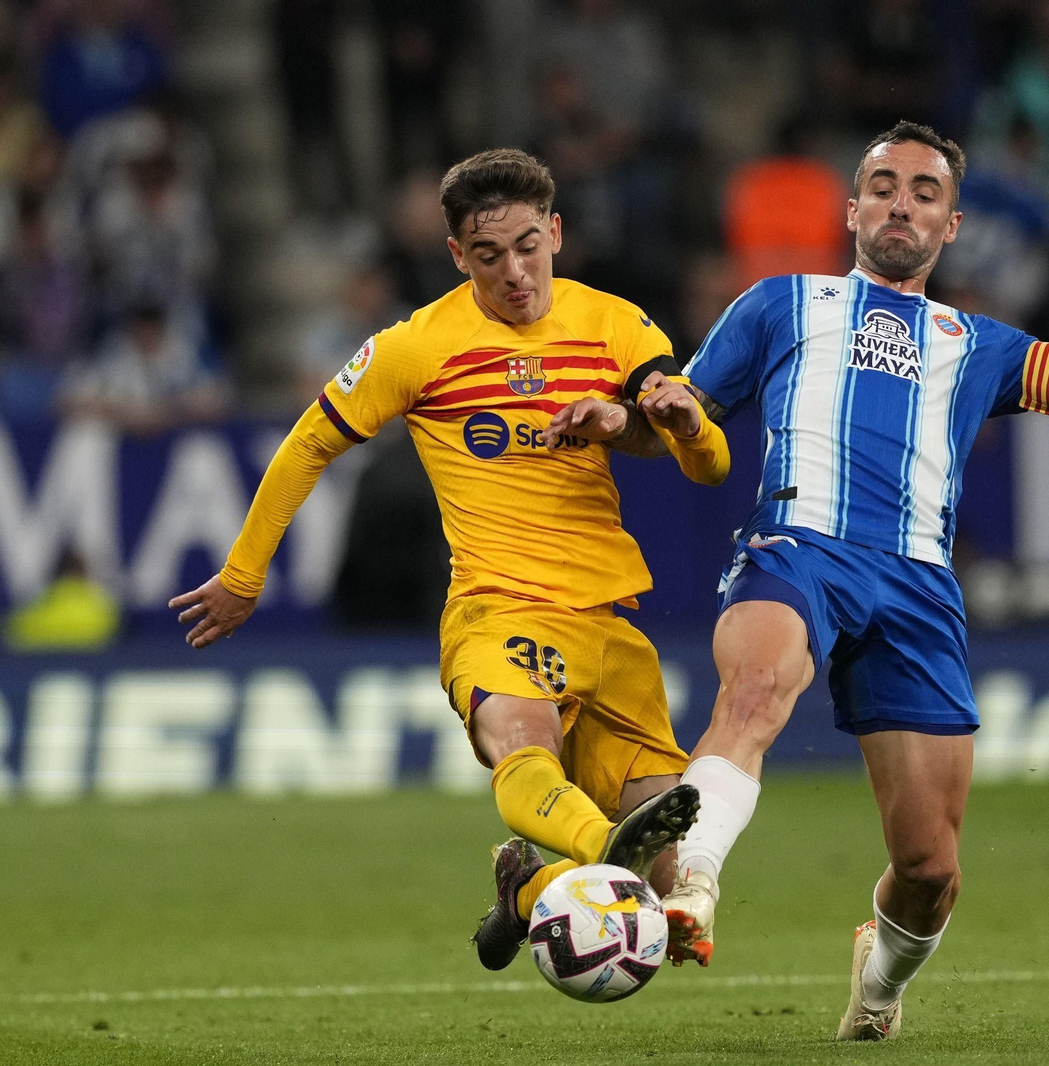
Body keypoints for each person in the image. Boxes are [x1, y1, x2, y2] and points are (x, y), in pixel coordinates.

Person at [661, 121, 1049, 1041]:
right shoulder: (779, 304)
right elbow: (685, 404)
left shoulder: (981, 344)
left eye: (924, 193)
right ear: (852, 209)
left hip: (918, 588)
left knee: (931, 868)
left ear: (952, 225)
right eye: (884, 185)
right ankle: (694, 881)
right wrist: (653, 406)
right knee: (756, 688)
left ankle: (880, 984)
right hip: (798, 546)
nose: (902, 202)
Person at [168, 148, 732, 972]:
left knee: (658, 885)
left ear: (558, 234)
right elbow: (306, 446)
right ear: (456, 255)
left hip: (609, 625)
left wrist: (680, 424)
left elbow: (706, 462)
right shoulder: (417, 347)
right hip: (496, 606)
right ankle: (586, 843)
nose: (515, 272)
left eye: (529, 246)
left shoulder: (617, 324)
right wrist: (245, 576)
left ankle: (530, 892)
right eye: (489, 254)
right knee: (522, 739)